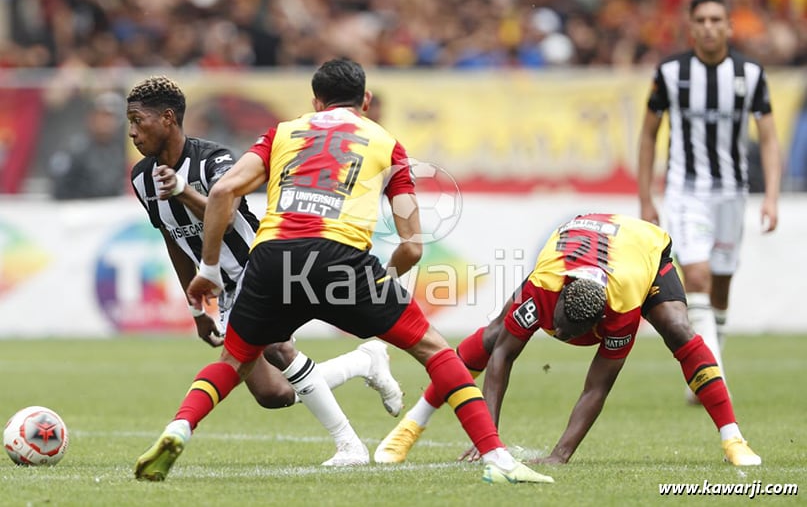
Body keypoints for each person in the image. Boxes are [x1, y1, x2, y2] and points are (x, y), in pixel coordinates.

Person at [133, 59, 553, 485]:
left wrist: (207, 269)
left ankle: (178, 429)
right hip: (340, 259)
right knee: (435, 351)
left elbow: (224, 190)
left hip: (271, 258)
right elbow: (412, 246)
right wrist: (383, 282)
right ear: (365, 100)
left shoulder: (284, 132)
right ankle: (497, 458)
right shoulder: (386, 144)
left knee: (233, 361)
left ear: (316, 102)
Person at [127, 75, 405, 469]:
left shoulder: (213, 160)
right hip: (221, 287)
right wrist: (197, 309)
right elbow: (174, 240)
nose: (133, 132)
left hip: (258, 268)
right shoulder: (142, 178)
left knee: (277, 348)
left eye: (138, 121)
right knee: (274, 394)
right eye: (130, 123)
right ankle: (364, 362)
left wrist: (182, 191)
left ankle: (350, 446)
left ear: (168, 118)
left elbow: (225, 213)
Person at [375, 213, 762, 467]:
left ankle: (733, 439)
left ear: (599, 323)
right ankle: (412, 424)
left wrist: (560, 455)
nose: (559, 336)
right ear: (556, 302)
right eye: (557, 327)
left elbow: (597, 388)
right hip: (576, 248)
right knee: (494, 336)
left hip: (641, 248)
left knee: (678, 328)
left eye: (570, 335)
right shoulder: (543, 285)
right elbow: (503, 357)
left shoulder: (623, 306)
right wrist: (487, 439)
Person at [636, 0, 782, 402]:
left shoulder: (749, 74)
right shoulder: (671, 74)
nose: (709, 27)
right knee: (696, 276)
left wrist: (771, 196)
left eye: (716, 20)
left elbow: (769, 138)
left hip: (732, 192)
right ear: (691, 27)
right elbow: (648, 135)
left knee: (720, 285)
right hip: (686, 191)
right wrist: (646, 197)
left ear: (730, 27)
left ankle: (702, 369)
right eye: (701, 20)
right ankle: (712, 378)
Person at [49, 91, 128, 199]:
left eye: (112, 117)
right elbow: (59, 187)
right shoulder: (74, 149)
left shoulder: (118, 151)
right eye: (103, 116)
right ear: (91, 118)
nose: (107, 122)